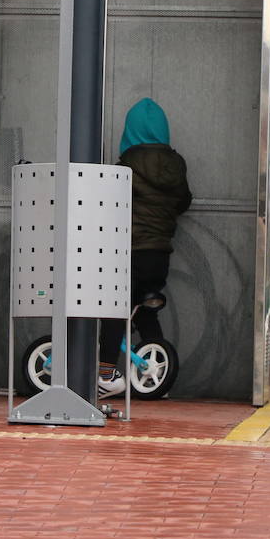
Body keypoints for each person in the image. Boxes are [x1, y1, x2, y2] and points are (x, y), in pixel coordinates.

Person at [99, 97, 192, 395]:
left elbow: (106, 205)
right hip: (159, 255)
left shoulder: (124, 168)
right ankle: (156, 376)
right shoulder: (176, 167)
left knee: (115, 308)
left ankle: (106, 374)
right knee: (146, 308)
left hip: (127, 252)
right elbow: (183, 202)